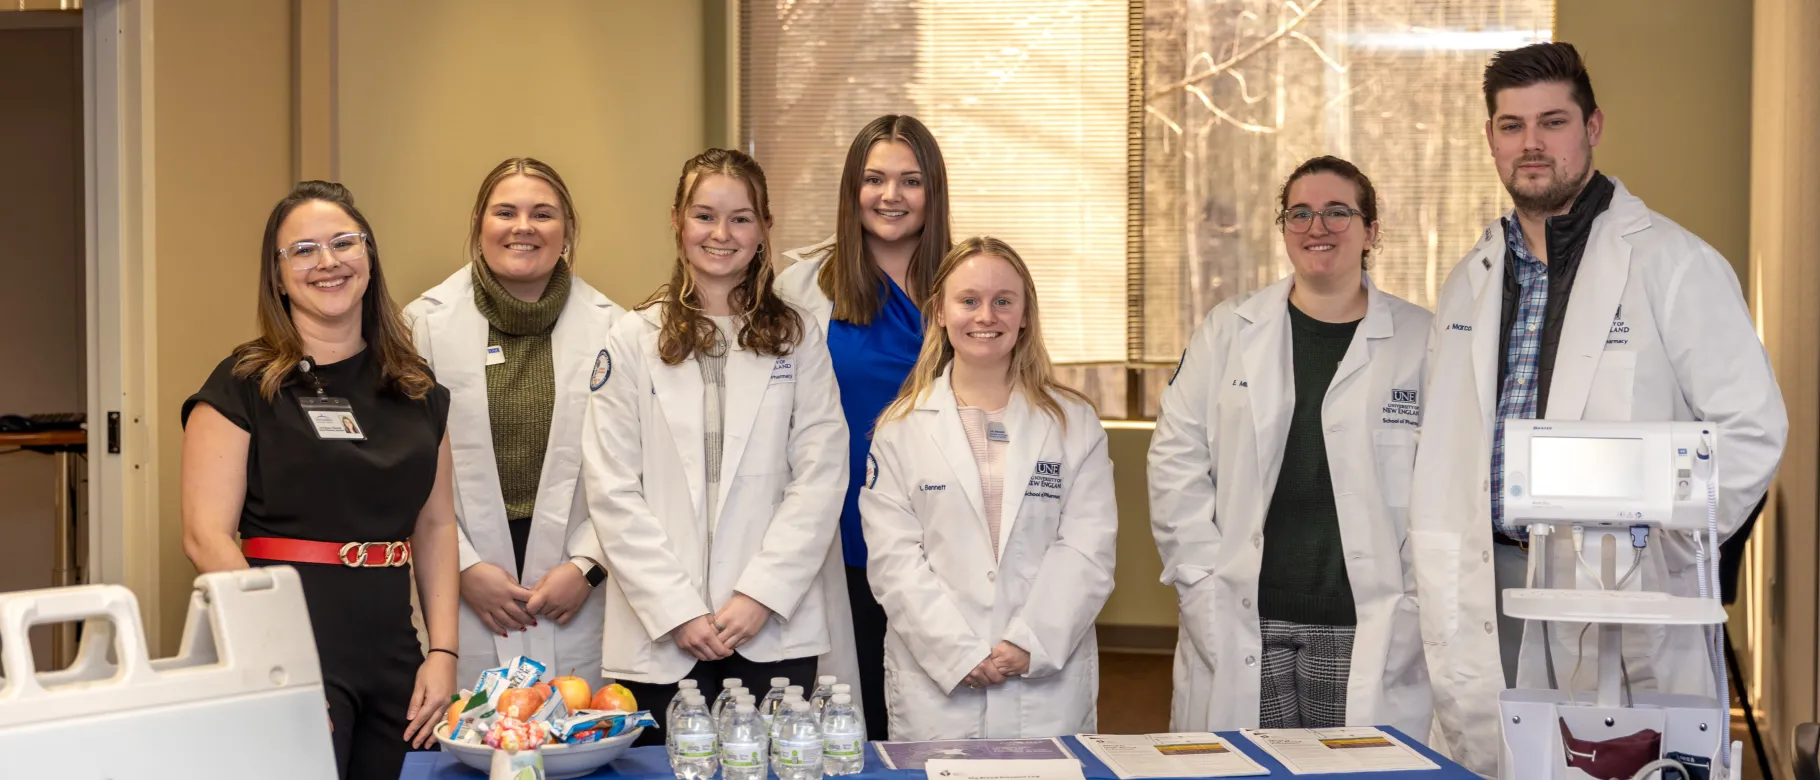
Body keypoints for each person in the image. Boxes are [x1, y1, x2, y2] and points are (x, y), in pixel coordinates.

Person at [1409, 42, 1788, 774]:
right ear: (1491, 138)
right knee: (1500, 761)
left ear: (1593, 127)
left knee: (1612, 761)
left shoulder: (1672, 263)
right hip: (1489, 582)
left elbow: (1752, 430)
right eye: (1512, 126)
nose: (1532, 144)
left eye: (1552, 121)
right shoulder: (1471, 280)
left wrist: (1666, 545)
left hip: (1618, 585)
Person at [179, 181, 459, 779]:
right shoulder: (242, 384)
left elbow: (435, 526)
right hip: (289, 642)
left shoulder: (416, 390)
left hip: (395, 654)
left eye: (342, 243)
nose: (327, 261)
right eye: (302, 250)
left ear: (369, 256)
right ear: (277, 277)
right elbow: (206, 537)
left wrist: (442, 652)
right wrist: (282, 656)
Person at [1148, 157, 1433, 736]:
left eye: (1337, 212)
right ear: (1283, 229)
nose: (1316, 227)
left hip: (1367, 622)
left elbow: (1446, 485)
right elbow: (1175, 460)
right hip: (1245, 612)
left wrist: (1414, 600)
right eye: (1299, 213)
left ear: (1371, 230)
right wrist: (1200, 579)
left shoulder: (1421, 340)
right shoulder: (1228, 330)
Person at [581, 148, 848, 745]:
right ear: (677, 222)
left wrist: (760, 594)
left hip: (770, 629)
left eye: (741, 218)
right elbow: (612, 487)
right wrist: (676, 608)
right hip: (660, 632)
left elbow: (821, 476)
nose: (721, 234)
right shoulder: (631, 339)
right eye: (705, 216)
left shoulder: (799, 339)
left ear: (764, 230)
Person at [860, 236, 1117, 740]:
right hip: (938, 685)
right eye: (969, 300)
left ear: (1024, 315)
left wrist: (1031, 642)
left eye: (1004, 301)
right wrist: (956, 651)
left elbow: (1088, 549)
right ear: (939, 312)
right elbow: (894, 561)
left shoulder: (1074, 423)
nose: (987, 315)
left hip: (1046, 682)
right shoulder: (901, 428)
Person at [404, 158, 622, 694]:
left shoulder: (617, 329)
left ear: (566, 231)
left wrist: (588, 566)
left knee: (578, 747)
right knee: (467, 747)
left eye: (542, 214)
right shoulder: (421, 326)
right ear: (479, 225)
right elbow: (400, 469)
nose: (523, 226)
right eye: (506, 212)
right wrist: (463, 567)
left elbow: (635, 470)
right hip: (459, 574)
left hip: (580, 584)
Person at [775, 114, 953, 738]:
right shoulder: (802, 288)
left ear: (934, 190)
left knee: (934, 713)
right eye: (874, 178)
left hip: (938, 537)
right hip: (836, 530)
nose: (891, 196)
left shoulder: (965, 286)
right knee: (853, 713)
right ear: (852, 188)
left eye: (910, 180)